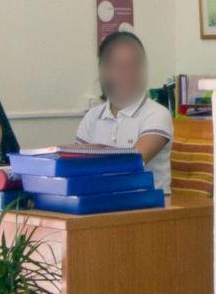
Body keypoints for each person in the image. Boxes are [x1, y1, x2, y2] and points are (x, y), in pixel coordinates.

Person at [74, 29, 173, 190]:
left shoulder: (157, 114)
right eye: (120, 66)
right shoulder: (92, 117)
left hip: (148, 208)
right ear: (103, 71)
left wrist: (94, 157)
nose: (128, 74)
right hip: (100, 203)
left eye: (135, 65)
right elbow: (75, 166)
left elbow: (132, 163)